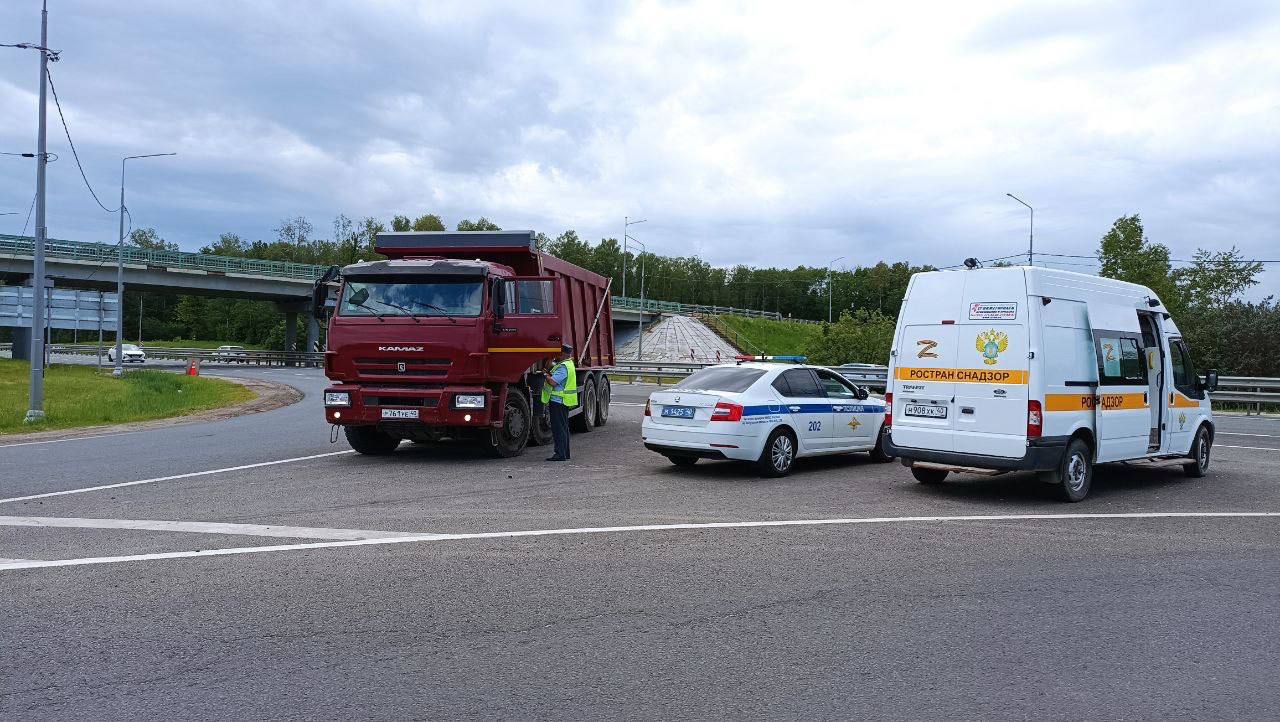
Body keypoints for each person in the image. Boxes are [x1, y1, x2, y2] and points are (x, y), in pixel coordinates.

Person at [541, 344, 578, 461]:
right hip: (563, 401)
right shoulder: (569, 364)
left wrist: (545, 375)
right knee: (564, 428)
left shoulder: (563, 367)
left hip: (558, 401)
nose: (556, 356)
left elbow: (553, 382)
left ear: (563, 354)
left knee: (558, 429)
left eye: (558, 353)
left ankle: (560, 454)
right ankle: (565, 453)